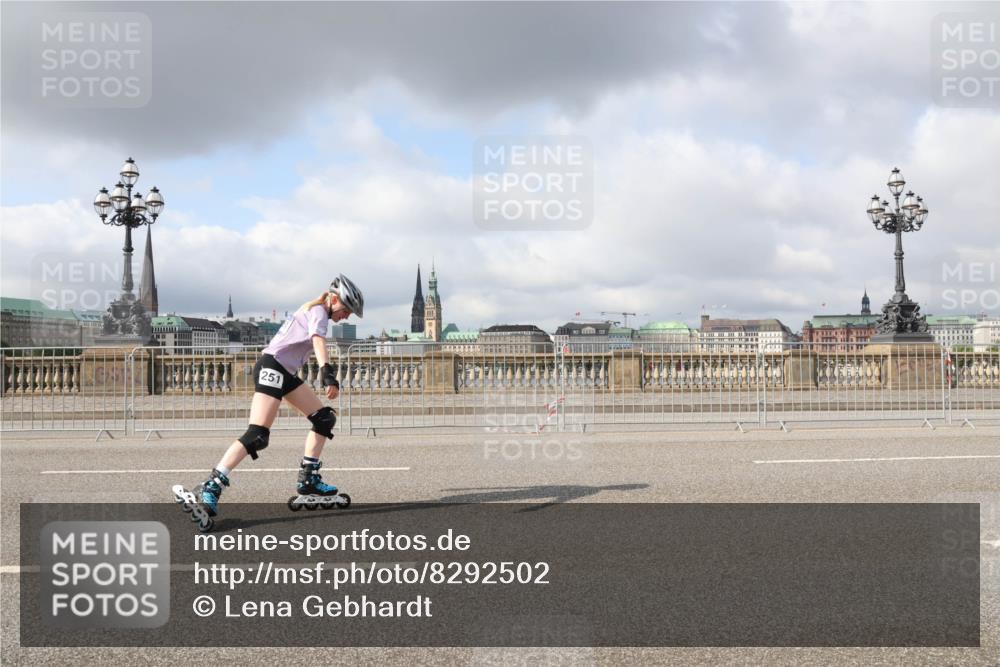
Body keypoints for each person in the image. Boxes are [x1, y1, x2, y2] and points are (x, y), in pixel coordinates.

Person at [173, 274, 364, 529]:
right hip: (272, 368)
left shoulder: (315, 310)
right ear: (333, 299)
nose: (347, 316)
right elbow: (318, 340)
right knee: (257, 435)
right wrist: (327, 371)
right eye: (347, 309)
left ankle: (309, 478)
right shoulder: (318, 310)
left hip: (284, 373)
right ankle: (211, 486)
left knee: (323, 418)